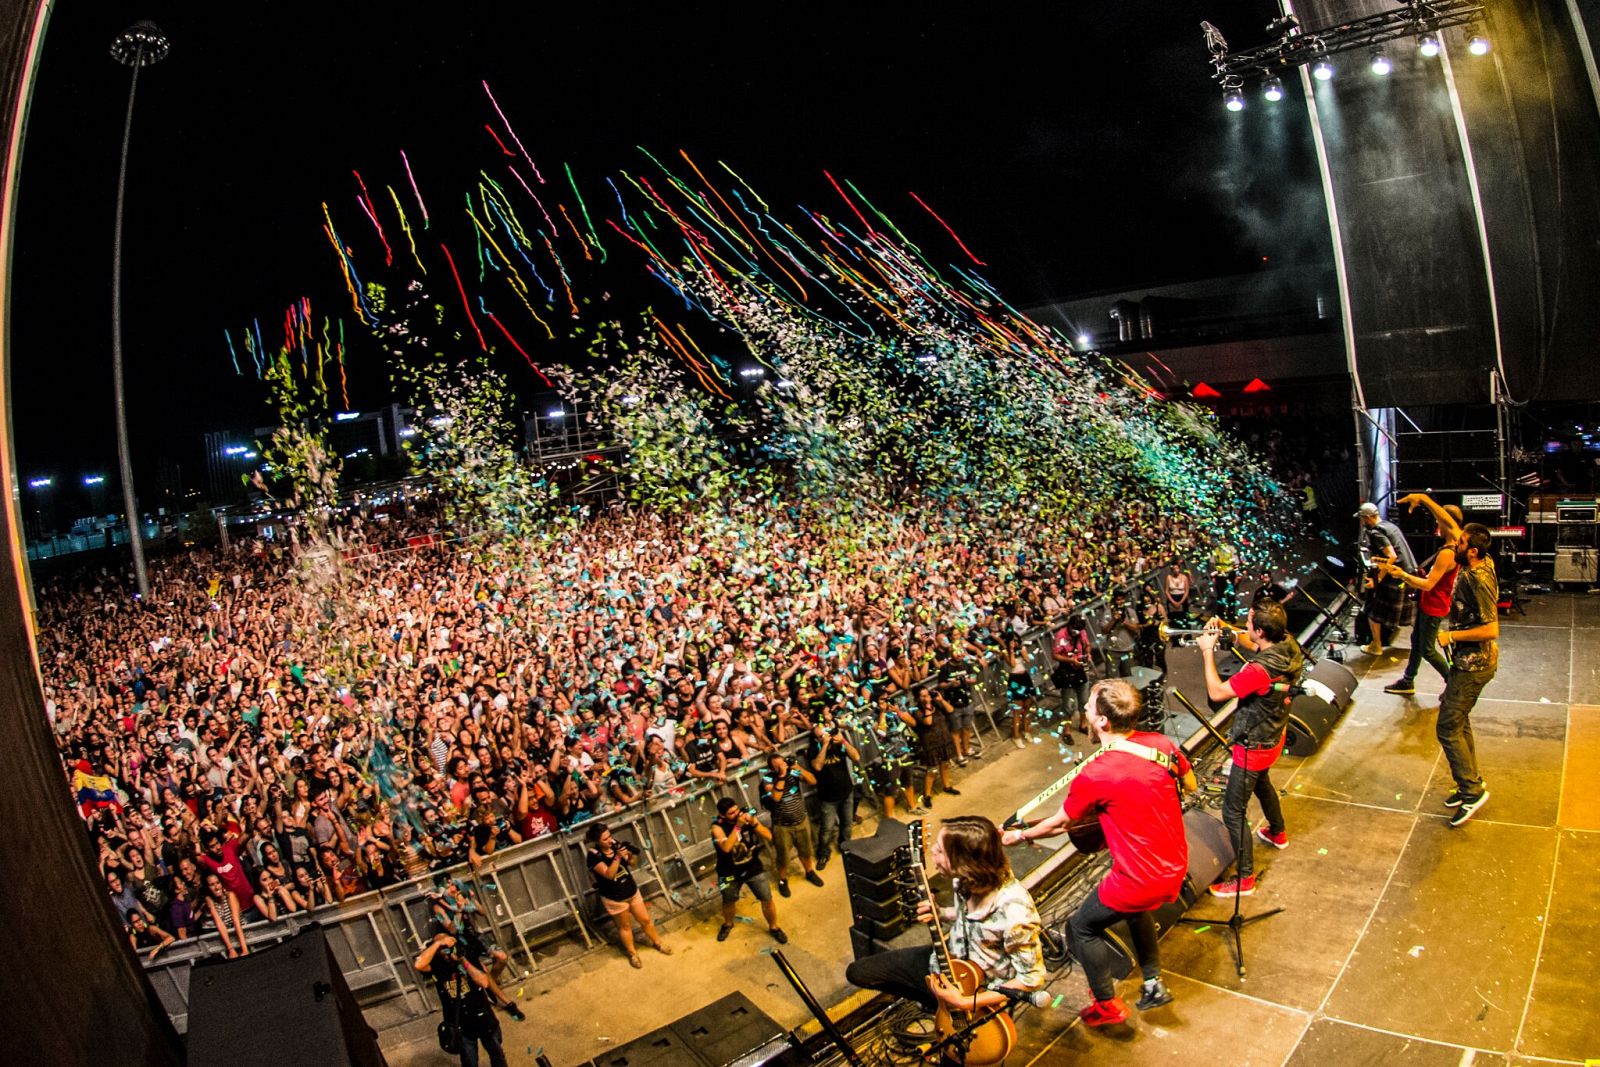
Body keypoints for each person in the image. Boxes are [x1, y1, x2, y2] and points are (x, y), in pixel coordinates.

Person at [1003, 680, 1195, 1028]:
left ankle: (1106, 1006)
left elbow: (1059, 825)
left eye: (1090, 707)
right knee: (1135, 912)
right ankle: (1152, 982)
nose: (1086, 712)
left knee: (1080, 928)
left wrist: (1019, 836)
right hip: (1176, 865)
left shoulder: (1096, 773)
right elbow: (1190, 783)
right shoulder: (1160, 744)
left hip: (1138, 879)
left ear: (1103, 721)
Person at [846, 815, 1046, 1016]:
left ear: (965, 864)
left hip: (980, 994)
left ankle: (947, 1007)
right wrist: (940, 913)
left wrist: (965, 1002)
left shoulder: (1015, 913)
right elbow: (965, 916)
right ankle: (934, 1003)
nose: (932, 851)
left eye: (941, 850)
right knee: (859, 973)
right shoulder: (964, 880)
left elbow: (1031, 979)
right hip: (945, 963)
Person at [1401, 495, 1499, 826]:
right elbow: (1449, 523)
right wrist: (1425, 500)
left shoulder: (1477, 578)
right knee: (1459, 720)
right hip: (1465, 663)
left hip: (1475, 664)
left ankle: (1472, 792)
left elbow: (1491, 628)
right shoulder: (1475, 558)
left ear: (1471, 550)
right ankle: (1469, 780)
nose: (1454, 540)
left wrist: (1452, 636)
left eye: (1461, 541)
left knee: (1447, 726)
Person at [1196, 600, 1302, 897]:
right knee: (1263, 782)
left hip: (1253, 744)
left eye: (1249, 622)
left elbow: (1217, 693)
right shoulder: (1287, 644)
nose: (1246, 624)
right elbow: (1249, 640)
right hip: (1273, 734)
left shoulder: (1257, 671)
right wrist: (1227, 629)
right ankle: (1277, 832)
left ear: (1260, 630)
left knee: (1232, 812)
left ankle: (1245, 878)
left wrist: (1207, 651)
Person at [1378, 504, 1464, 697]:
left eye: (1438, 521)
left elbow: (1427, 585)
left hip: (1434, 607)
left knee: (1427, 649)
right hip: (1431, 604)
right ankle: (1408, 680)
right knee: (1417, 641)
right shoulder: (1454, 546)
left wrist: (1402, 575)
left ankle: (1453, 684)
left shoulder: (1447, 553)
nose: (1436, 525)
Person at [414, 932, 510, 1067]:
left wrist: (462, 961)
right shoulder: (436, 965)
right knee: (469, 1061)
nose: (447, 950)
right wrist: (438, 943)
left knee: (497, 1055)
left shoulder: (467, 956)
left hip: (483, 1017)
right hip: (461, 1024)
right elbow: (419, 965)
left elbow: (483, 982)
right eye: (443, 948)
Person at [584, 822, 671, 968]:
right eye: (605, 839)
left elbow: (633, 863)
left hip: (630, 890)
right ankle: (633, 954)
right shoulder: (593, 856)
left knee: (645, 920)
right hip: (614, 897)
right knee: (625, 927)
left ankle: (658, 943)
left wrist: (629, 855)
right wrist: (618, 857)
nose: (610, 840)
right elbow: (609, 874)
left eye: (609, 836)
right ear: (597, 841)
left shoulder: (615, 845)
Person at [710, 797, 787, 944]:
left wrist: (754, 823)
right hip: (728, 872)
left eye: (737, 810)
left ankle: (774, 927)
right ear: (722, 815)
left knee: (767, 899)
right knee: (728, 901)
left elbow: (769, 836)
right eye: (731, 813)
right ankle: (727, 924)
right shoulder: (717, 828)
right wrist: (738, 826)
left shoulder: (745, 818)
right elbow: (726, 848)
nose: (737, 814)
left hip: (752, 867)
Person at [1357, 501, 1417, 656]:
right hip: (1409, 573)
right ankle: (1419, 645)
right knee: (1409, 614)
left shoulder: (1376, 532)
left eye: (1363, 519)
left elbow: (1391, 556)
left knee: (1372, 612)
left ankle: (1376, 645)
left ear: (1369, 518)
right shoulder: (1390, 526)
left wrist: (1377, 579)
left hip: (1396, 575)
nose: (1362, 522)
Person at [760, 751, 824, 896]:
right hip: (782, 826)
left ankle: (809, 872)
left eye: (783, 763)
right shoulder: (768, 778)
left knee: (806, 850)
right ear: (771, 769)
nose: (782, 767)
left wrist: (797, 767)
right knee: (783, 857)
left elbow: (813, 781)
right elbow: (776, 797)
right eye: (778, 766)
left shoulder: (793, 773)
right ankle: (782, 880)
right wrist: (782, 775)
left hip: (801, 820)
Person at [807, 710, 860, 870]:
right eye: (822, 734)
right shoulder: (814, 749)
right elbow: (817, 766)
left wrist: (843, 741)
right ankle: (823, 854)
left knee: (847, 824)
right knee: (827, 829)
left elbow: (856, 757)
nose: (826, 735)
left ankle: (845, 846)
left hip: (846, 791)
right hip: (828, 797)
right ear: (816, 738)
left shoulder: (839, 745)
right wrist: (824, 745)